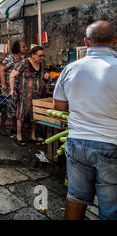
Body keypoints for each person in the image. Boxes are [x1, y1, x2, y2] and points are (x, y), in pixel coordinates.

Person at [53, 20, 117, 220]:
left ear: (86, 42)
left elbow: (59, 106)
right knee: (110, 207)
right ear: (114, 41)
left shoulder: (71, 69)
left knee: (76, 197)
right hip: (110, 144)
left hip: (76, 143)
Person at [9, 45, 50, 146]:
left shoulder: (42, 63)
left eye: (43, 55)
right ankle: (19, 136)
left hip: (38, 94)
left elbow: (43, 77)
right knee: (22, 113)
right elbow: (12, 75)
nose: (42, 58)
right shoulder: (24, 63)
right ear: (33, 55)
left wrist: (46, 77)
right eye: (40, 55)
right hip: (25, 94)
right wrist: (11, 89)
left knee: (34, 114)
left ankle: (33, 136)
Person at [0, 40, 27, 136]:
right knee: (6, 107)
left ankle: (14, 127)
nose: (25, 48)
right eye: (23, 46)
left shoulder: (22, 59)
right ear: (18, 48)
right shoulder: (10, 58)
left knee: (16, 107)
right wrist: (4, 84)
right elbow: (1, 70)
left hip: (18, 88)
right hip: (9, 88)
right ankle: (2, 126)